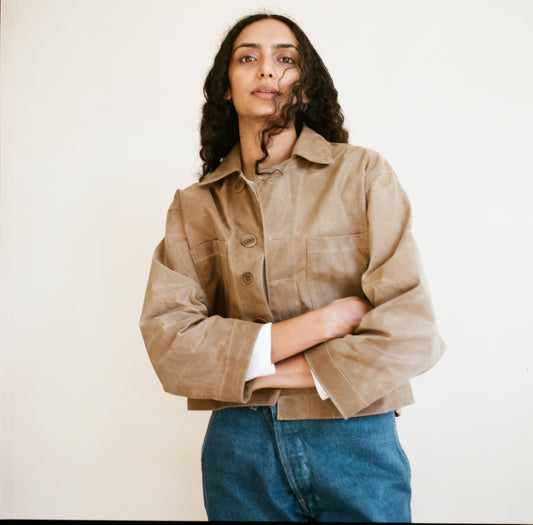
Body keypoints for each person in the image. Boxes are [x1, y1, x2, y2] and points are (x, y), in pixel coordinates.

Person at [140, 12, 445, 523]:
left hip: (355, 435)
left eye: (285, 58)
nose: (267, 69)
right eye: (248, 57)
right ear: (224, 87)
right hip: (238, 453)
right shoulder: (195, 206)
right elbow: (170, 345)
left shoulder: (362, 174)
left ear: (305, 85)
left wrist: (257, 372)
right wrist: (326, 322)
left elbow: (412, 331)